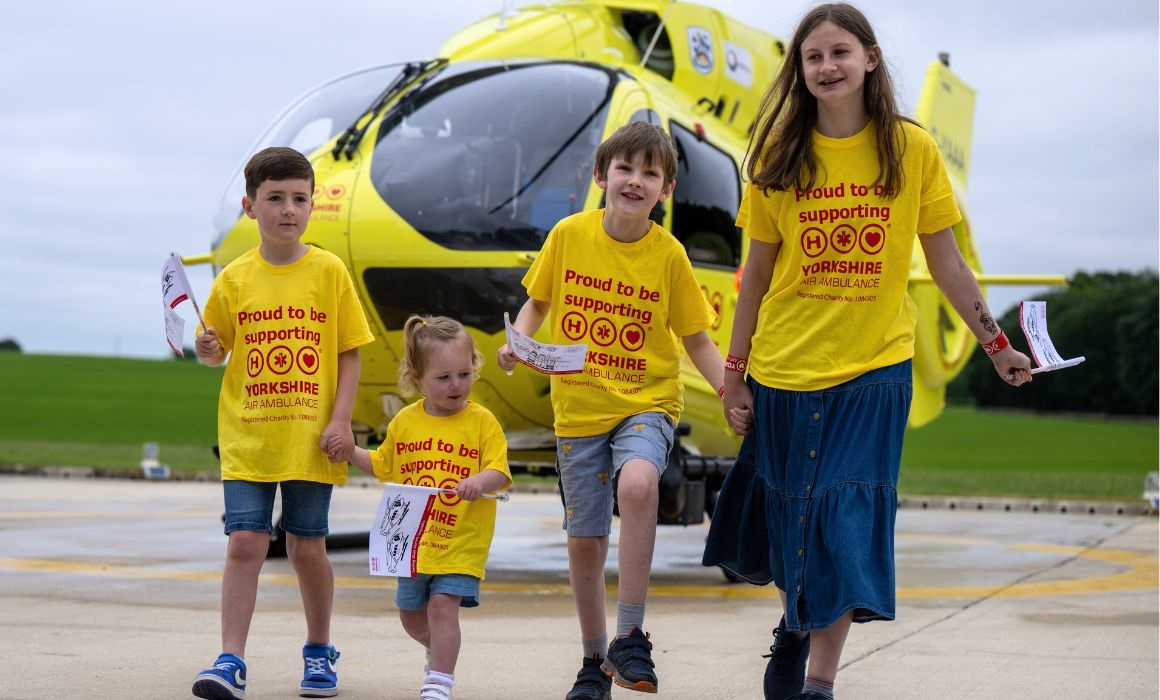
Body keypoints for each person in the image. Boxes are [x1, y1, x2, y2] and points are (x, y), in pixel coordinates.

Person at [701, 5, 1033, 700]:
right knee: (794, 518)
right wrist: (735, 376)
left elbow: (947, 264)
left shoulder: (911, 151)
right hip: (786, 369)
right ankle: (795, 627)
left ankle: (819, 682)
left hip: (876, 369)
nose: (826, 67)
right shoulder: (776, 156)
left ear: (871, 60)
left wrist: (996, 343)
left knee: (844, 519)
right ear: (800, 69)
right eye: (812, 56)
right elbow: (754, 276)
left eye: (839, 53)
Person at [498, 120, 727, 698]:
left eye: (651, 172)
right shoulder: (569, 235)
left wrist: (731, 388)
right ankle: (593, 661)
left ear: (666, 190)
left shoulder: (670, 255)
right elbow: (537, 302)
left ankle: (630, 636)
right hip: (578, 412)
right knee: (585, 539)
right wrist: (516, 343)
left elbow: (697, 338)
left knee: (641, 484)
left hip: (646, 403)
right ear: (601, 176)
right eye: (625, 168)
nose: (636, 180)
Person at [192, 146, 374, 700]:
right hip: (248, 436)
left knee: (305, 548)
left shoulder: (329, 271)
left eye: (299, 198)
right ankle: (230, 661)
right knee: (245, 543)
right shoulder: (234, 279)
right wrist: (204, 346)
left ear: (312, 205)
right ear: (251, 206)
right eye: (275, 198)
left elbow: (350, 351)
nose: (288, 209)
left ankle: (319, 651)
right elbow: (215, 351)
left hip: (312, 439)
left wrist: (342, 419)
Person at [337, 314, 512, 700]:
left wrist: (477, 482)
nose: (456, 385)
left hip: (461, 540)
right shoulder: (405, 422)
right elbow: (383, 465)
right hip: (414, 542)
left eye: (464, 374)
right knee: (411, 616)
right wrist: (351, 451)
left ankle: (439, 681)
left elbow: (499, 471)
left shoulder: (482, 422)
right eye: (444, 377)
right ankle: (438, 649)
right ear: (417, 379)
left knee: (442, 606)